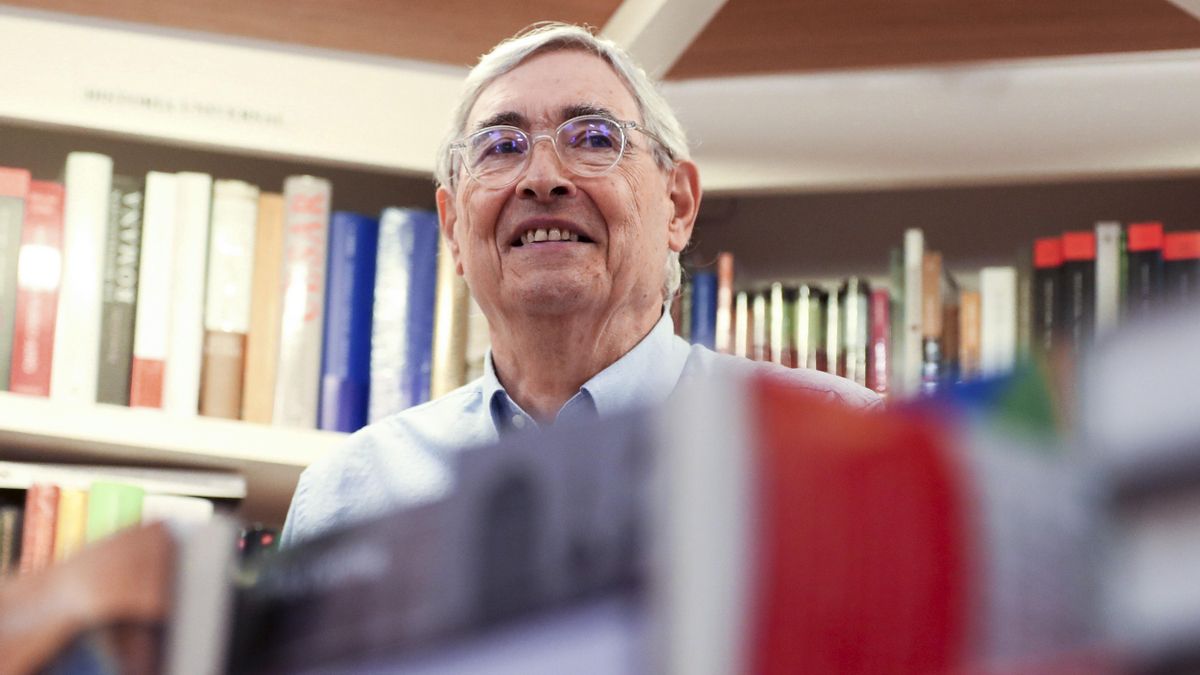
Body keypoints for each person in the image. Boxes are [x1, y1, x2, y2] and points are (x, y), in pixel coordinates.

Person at [281, 22, 880, 546]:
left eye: (594, 138)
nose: (542, 179)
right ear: (454, 228)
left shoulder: (840, 446)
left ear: (677, 206)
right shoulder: (347, 497)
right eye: (500, 147)